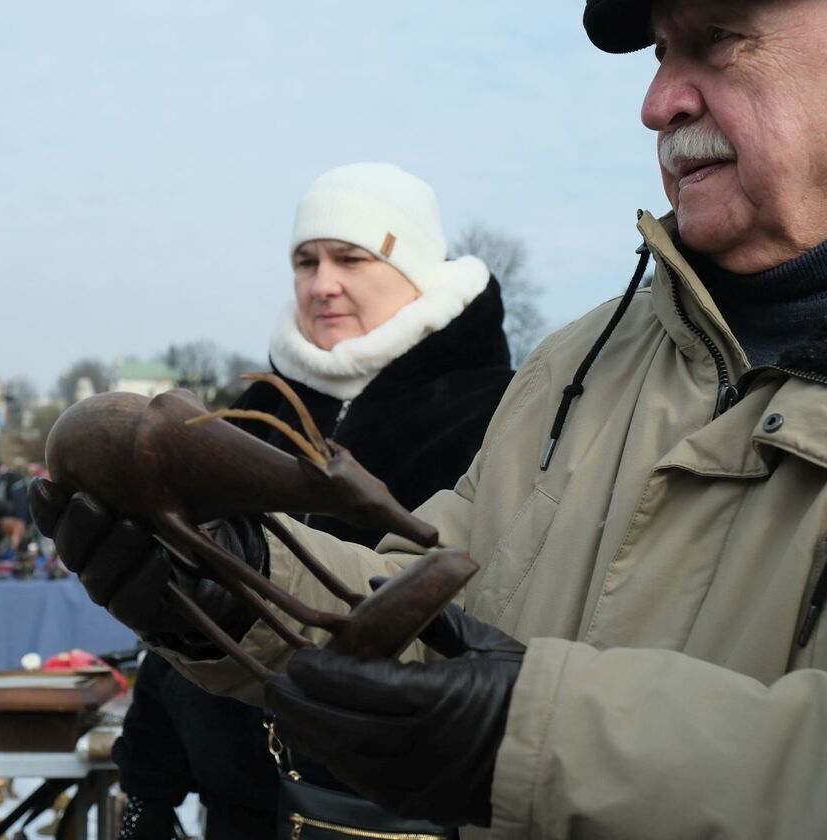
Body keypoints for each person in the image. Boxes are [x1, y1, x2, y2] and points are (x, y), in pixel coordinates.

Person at [33, 0, 827, 836]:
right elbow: (429, 605)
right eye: (659, 51)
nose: (658, 102)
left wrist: (533, 738)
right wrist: (235, 582)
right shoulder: (575, 364)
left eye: (719, 40)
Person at [114, 162, 514, 838]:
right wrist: (149, 777)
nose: (322, 283)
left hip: (396, 811)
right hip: (238, 806)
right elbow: (184, 600)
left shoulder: (495, 410)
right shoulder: (256, 412)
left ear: (414, 267)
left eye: (349, 258)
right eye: (306, 261)